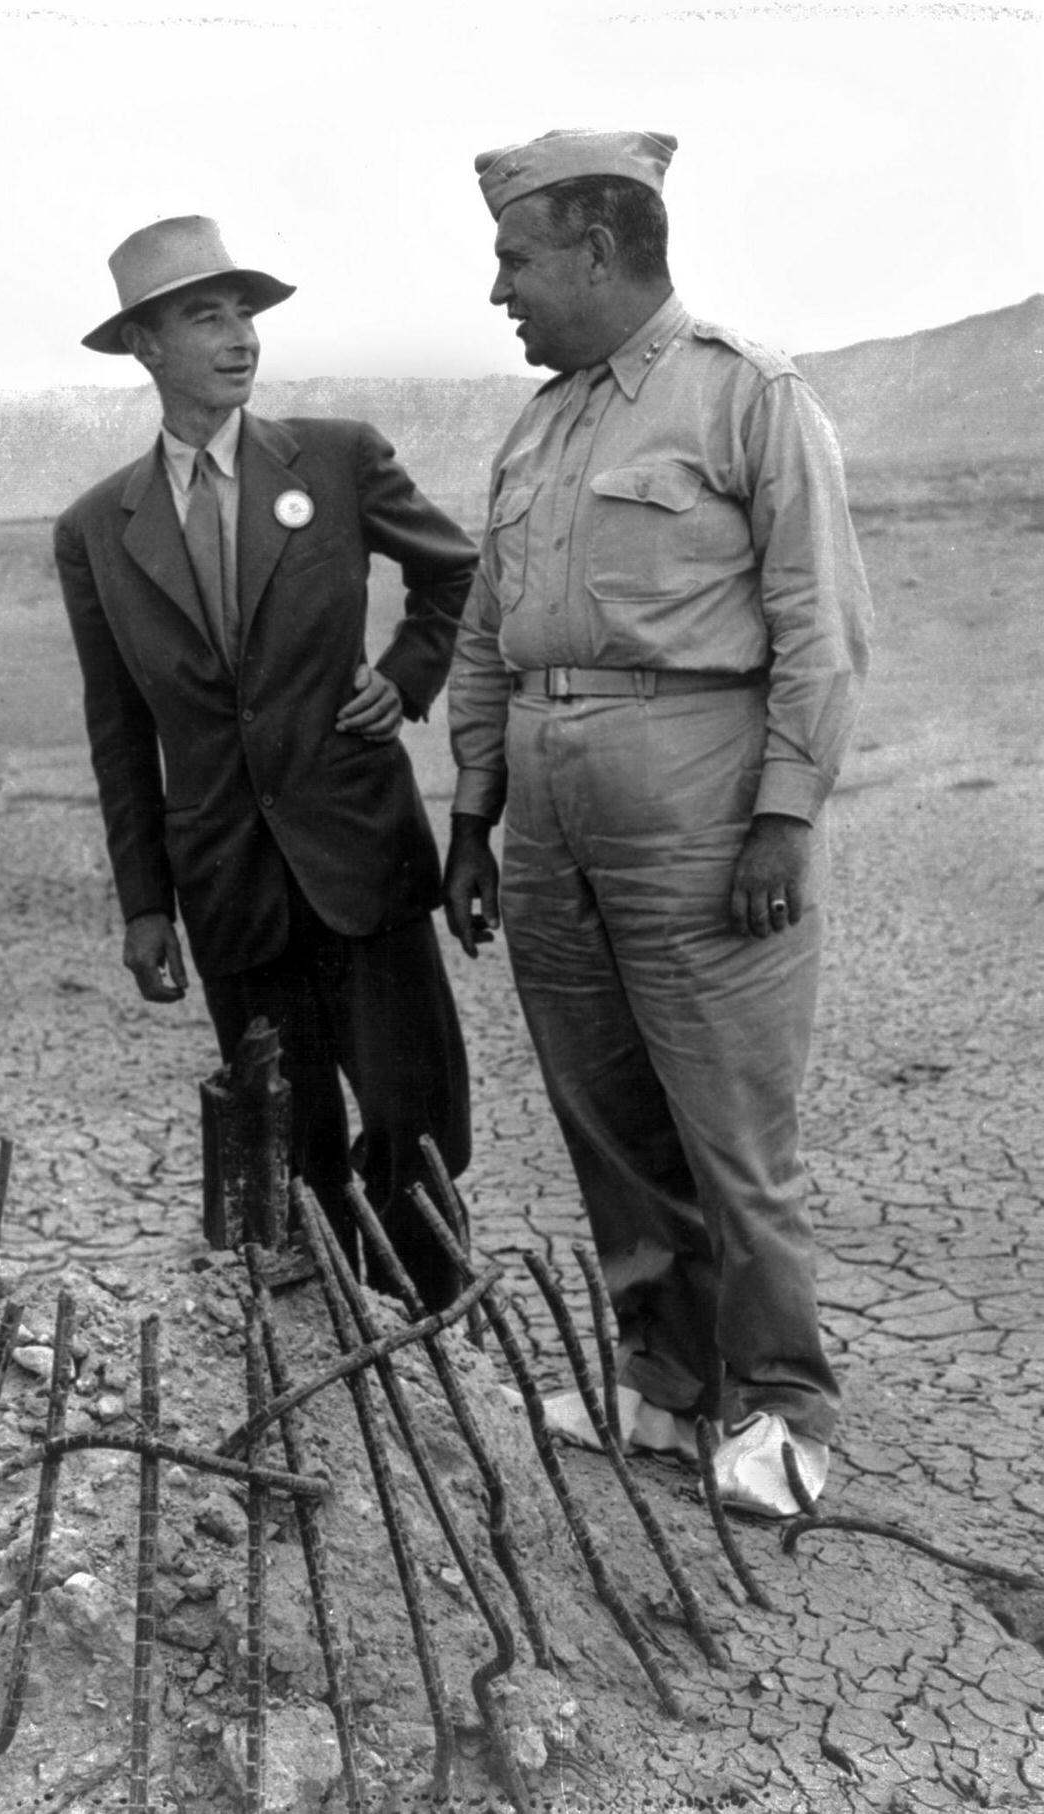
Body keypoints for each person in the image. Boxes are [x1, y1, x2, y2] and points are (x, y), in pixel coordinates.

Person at [444, 131, 872, 1516]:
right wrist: (473, 808)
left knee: (732, 1124)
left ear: (597, 249)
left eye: (515, 258)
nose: (499, 288)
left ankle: (789, 1411)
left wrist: (784, 816)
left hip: (700, 810)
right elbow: (485, 631)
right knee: (606, 1114)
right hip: (551, 827)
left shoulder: (747, 395)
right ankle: (669, 1383)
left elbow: (823, 622)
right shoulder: (541, 425)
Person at [54, 216, 476, 1310]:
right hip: (228, 888)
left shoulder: (334, 459)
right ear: (145, 346)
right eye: (205, 315)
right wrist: (145, 901)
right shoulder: (98, 526)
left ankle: (429, 1348)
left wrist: (406, 673)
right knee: (286, 1146)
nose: (239, 334)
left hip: (360, 860)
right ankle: (325, 1363)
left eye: (244, 310)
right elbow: (117, 725)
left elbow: (456, 577)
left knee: (414, 1131)